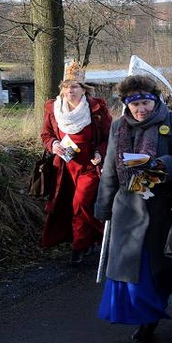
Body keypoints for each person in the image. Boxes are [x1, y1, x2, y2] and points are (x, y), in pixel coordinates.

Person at [94, 74, 172, 343]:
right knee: (138, 271)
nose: (140, 109)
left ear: (156, 100)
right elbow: (109, 173)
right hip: (129, 210)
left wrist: (162, 164)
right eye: (134, 104)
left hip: (168, 209)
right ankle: (147, 318)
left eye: (145, 103)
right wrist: (104, 208)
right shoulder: (118, 128)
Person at [40, 62, 112, 264]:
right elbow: (46, 134)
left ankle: (78, 247)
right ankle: (89, 241)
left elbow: (109, 137)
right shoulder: (53, 109)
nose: (70, 90)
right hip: (63, 167)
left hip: (89, 166)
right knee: (68, 206)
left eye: (75, 86)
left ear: (83, 89)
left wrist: (100, 152)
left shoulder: (97, 109)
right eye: (66, 86)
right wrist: (53, 144)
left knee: (80, 203)